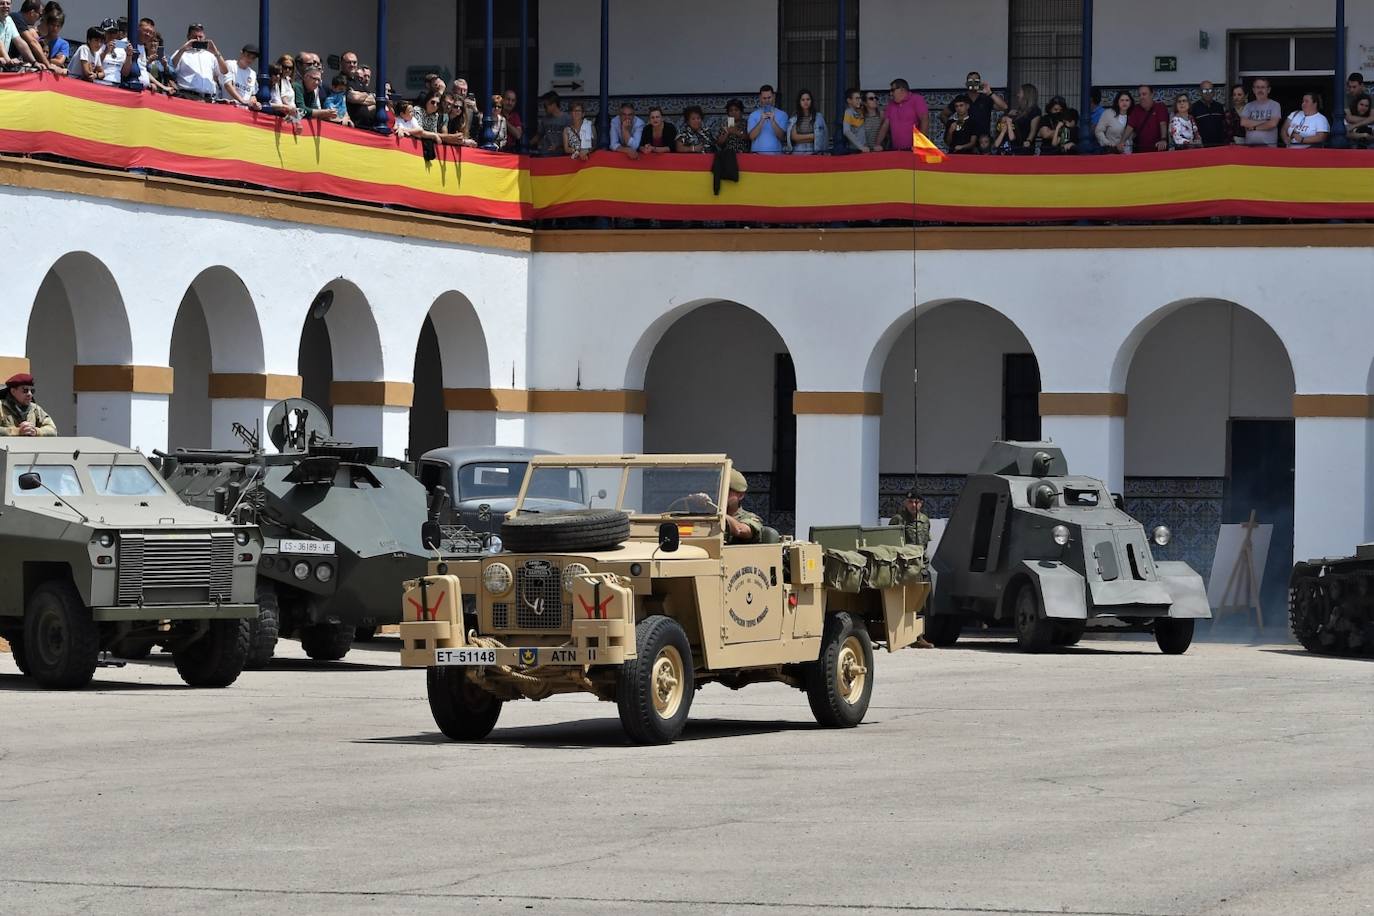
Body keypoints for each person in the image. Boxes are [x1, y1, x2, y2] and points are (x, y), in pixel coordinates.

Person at [943, 71, 1008, 142]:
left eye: (976, 81)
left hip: (982, 141)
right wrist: (952, 129)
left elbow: (1004, 107)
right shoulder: (961, 99)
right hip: (965, 141)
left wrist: (990, 93)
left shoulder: (986, 98)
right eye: (970, 81)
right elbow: (943, 115)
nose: (973, 83)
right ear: (966, 84)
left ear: (979, 83)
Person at [171, 23, 223, 101]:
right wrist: (182, 49)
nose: (198, 39)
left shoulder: (211, 55)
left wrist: (216, 52)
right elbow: (171, 67)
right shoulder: (181, 53)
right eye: (195, 37)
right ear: (188, 37)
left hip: (207, 99)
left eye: (200, 37)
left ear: (204, 36)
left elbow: (224, 71)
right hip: (187, 96)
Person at [877, 78, 929, 151]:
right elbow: (885, 126)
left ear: (901, 89)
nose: (890, 93)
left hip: (913, 149)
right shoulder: (891, 104)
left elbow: (925, 120)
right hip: (896, 150)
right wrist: (877, 144)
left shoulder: (917, 99)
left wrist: (920, 144)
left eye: (892, 90)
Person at [0, 373, 57, 437]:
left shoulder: (35, 409)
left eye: (32, 391)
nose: (30, 394)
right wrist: (17, 431)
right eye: (25, 390)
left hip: (30, 446)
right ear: (13, 391)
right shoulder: (1, 407)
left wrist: (36, 431)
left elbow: (53, 430)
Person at [337, 50, 377, 128]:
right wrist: (365, 96)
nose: (352, 65)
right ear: (342, 63)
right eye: (349, 62)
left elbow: (374, 99)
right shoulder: (340, 79)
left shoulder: (359, 81)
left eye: (354, 62)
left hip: (367, 127)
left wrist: (360, 96)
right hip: (352, 126)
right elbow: (353, 98)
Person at [722, 469, 762, 545]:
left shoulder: (749, 518)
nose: (722, 495)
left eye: (727, 491)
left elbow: (740, 530)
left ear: (740, 495)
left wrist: (719, 513)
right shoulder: (707, 515)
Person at [1124, 84, 1168, 153]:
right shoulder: (1136, 109)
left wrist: (1163, 139)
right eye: (1140, 95)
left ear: (1152, 95)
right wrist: (1122, 142)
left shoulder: (1160, 107)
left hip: (1158, 150)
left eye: (1144, 94)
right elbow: (1130, 127)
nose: (1141, 97)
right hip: (1141, 152)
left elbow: (1163, 124)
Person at [1239, 78, 1282, 147]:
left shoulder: (1275, 105)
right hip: (1250, 147)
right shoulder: (1248, 106)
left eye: (1263, 87)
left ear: (1268, 90)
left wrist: (1253, 127)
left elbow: (1272, 124)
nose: (1260, 90)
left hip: (1269, 147)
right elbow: (1243, 122)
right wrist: (1265, 121)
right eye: (1257, 87)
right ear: (1253, 90)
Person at [747, 85, 788, 154]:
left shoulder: (783, 115)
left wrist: (773, 121)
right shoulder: (753, 115)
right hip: (757, 157)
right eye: (764, 98)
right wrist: (761, 121)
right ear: (760, 98)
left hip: (776, 157)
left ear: (774, 97)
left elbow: (782, 137)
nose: (767, 101)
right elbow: (751, 137)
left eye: (769, 97)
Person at [220, 43, 260, 109]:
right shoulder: (230, 64)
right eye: (248, 55)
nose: (250, 60)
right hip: (229, 108)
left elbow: (252, 95)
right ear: (241, 53)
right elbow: (228, 85)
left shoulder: (253, 73)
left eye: (253, 58)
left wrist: (255, 104)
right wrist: (242, 101)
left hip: (244, 112)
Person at [788, 88, 826, 154]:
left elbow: (823, 136)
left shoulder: (818, 117)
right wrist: (812, 136)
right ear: (799, 102)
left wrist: (800, 138)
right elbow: (794, 137)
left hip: (814, 152)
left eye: (808, 99)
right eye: (803, 100)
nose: (805, 102)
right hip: (797, 152)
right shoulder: (794, 117)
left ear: (811, 101)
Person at [1193, 80, 1227, 147]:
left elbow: (1223, 126)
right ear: (1200, 92)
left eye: (1210, 90)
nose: (1208, 93)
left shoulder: (1219, 107)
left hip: (1219, 145)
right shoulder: (1194, 108)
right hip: (1202, 146)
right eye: (1205, 91)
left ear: (1213, 92)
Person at [537, 91, 568, 156]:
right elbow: (539, 135)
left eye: (545, 106)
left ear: (553, 105)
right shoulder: (544, 119)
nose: (544, 108)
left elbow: (572, 139)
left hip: (562, 157)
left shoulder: (567, 119)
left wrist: (559, 146)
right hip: (545, 156)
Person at [841, 88, 868, 152]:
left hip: (864, 147)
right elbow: (846, 131)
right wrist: (860, 146)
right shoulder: (848, 112)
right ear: (849, 100)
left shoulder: (861, 110)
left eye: (860, 98)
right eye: (857, 98)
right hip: (855, 150)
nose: (859, 100)